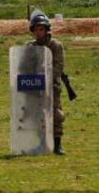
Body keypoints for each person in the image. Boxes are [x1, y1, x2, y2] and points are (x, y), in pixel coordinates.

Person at [27, 10, 66, 155]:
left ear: (46, 29)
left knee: (55, 114)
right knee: (37, 114)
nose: (38, 32)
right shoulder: (30, 46)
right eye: (36, 29)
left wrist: (46, 80)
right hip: (34, 86)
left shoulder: (55, 45)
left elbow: (58, 66)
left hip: (51, 86)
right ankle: (40, 143)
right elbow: (24, 65)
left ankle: (57, 144)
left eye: (41, 29)